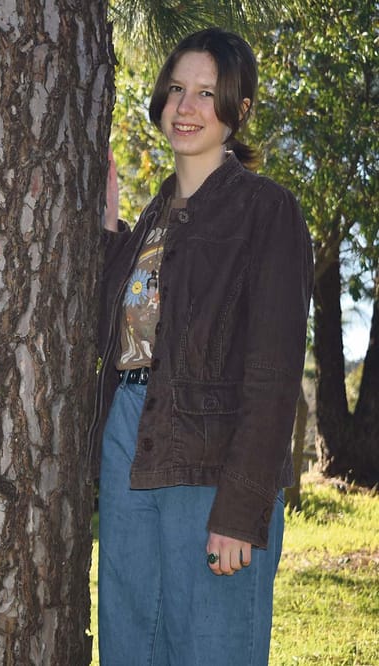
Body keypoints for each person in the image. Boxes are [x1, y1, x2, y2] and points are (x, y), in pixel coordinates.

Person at [91, 28, 313, 665]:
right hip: (128, 445)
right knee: (133, 642)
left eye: (207, 94)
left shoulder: (268, 211)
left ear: (238, 110)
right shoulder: (156, 217)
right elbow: (130, 327)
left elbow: (273, 374)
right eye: (177, 90)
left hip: (213, 458)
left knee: (212, 647)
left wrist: (242, 508)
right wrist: (111, 238)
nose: (185, 107)